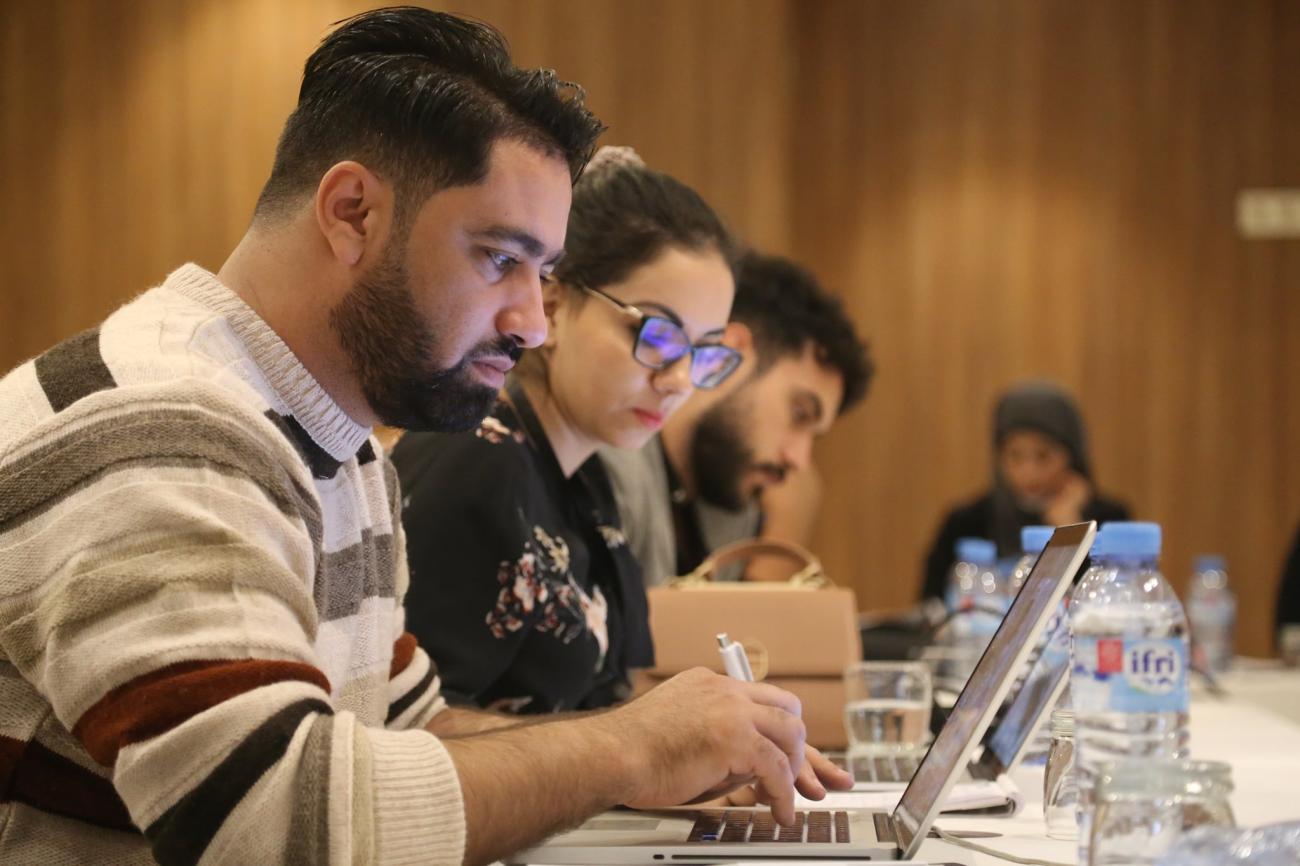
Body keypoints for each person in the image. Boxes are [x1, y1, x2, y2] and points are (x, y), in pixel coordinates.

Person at [0, 9, 847, 866]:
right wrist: (631, 750)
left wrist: (658, 760)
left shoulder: (342, 444)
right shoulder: (164, 428)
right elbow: (278, 829)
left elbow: (412, 729)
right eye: (498, 260)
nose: (530, 322)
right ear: (353, 211)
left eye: (543, 274)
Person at [391, 146, 740, 714]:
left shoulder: (583, 480)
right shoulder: (479, 456)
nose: (679, 380)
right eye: (656, 336)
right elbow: (406, 732)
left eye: (703, 354)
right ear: (552, 309)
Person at [601, 251, 874, 585]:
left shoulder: (731, 510)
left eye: (814, 437)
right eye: (799, 413)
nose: (799, 460)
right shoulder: (610, 463)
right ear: (730, 356)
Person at [920, 379, 1131, 604]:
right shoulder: (966, 522)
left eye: (1043, 456)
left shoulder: (1109, 521)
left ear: (1072, 456)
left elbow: (1114, 606)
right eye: (1015, 456)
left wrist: (1071, 533)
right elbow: (930, 607)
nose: (1028, 472)